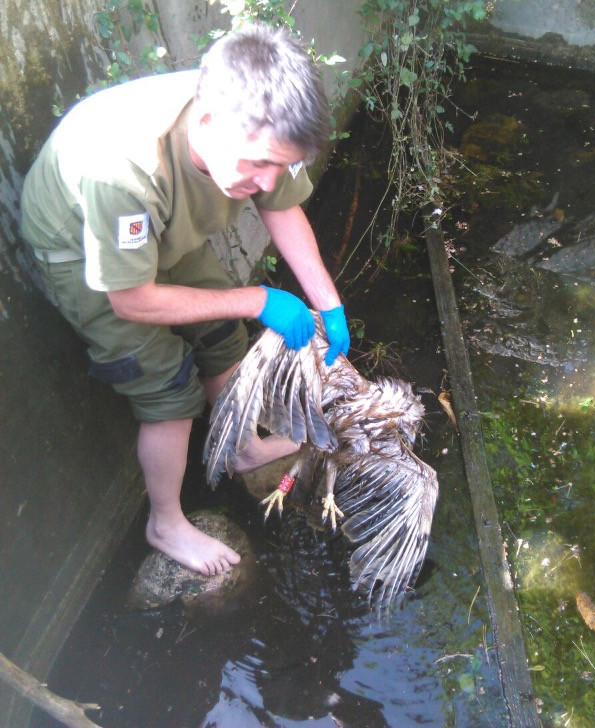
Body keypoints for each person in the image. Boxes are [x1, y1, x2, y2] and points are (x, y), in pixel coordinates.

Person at [20, 23, 350, 578]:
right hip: (83, 251)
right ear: (207, 123)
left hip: (157, 233)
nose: (267, 179)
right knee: (169, 386)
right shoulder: (123, 168)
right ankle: (165, 522)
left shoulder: (255, 123)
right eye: (258, 164)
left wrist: (329, 304)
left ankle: (241, 447)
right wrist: (260, 298)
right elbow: (132, 300)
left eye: (280, 165)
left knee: (223, 337)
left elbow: (282, 205)